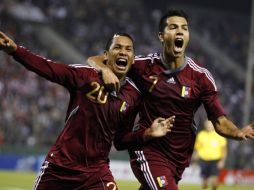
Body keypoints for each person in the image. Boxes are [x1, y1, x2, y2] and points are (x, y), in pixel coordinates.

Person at [87, 9, 254, 190]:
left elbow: (219, 121)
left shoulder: (201, 77)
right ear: (161, 36)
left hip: (178, 157)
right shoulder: (143, 66)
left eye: (184, 28)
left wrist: (238, 133)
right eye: (173, 27)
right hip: (147, 149)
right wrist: (104, 70)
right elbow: (95, 59)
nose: (180, 31)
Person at [0, 31, 175, 190]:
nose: (123, 52)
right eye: (118, 48)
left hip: (95, 173)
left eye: (128, 49)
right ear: (106, 55)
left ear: (132, 58)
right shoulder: (85, 76)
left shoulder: (134, 95)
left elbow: (120, 141)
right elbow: (49, 68)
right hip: (60, 167)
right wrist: (16, 51)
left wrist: (147, 134)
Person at [194, 119, 227, 190]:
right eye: (207, 124)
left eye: (210, 124)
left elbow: (224, 150)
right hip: (203, 160)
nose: (208, 126)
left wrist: (222, 161)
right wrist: (194, 161)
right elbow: (197, 149)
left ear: (213, 126)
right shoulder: (201, 135)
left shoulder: (219, 135)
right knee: (204, 183)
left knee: (214, 181)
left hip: (215, 160)